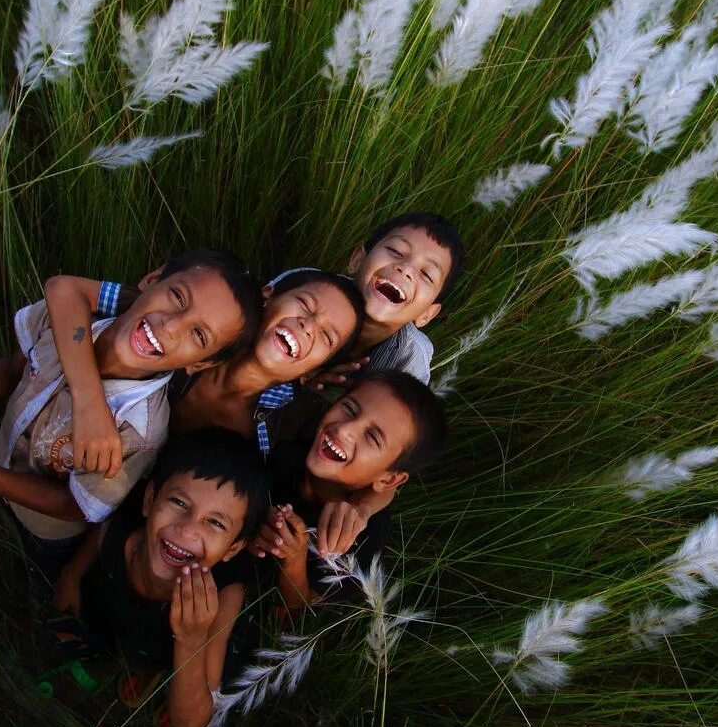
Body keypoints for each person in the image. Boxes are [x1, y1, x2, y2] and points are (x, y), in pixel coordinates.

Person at [0, 249, 263, 605]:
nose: (172, 326)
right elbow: (18, 367)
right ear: (151, 279)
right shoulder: (72, 322)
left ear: (202, 364)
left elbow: (74, 506)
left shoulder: (139, 431)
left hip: (46, 534)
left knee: (23, 589)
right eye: (178, 297)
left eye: (199, 335)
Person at [60, 429, 269, 727]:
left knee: (179, 679)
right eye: (179, 502)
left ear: (233, 549)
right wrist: (71, 579)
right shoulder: (122, 528)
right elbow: (92, 547)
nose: (186, 530)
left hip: (183, 650)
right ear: (149, 500)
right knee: (115, 637)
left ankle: (162, 675)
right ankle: (136, 665)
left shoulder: (225, 593)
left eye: (215, 523)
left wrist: (190, 638)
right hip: (120, 616)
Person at [42, 267, 366, 463]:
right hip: (49, 417)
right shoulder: (180, 318)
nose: (308, 325)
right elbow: (68, 291)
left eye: (326, 336)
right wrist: (89, 401)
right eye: (306, 305)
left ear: (311, 372)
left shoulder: (263, 437)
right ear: (266, 296)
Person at [250, 371, 447, 612]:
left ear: (389, 479)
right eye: (350, 409)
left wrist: (293, 560)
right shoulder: (293, 434)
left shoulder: (364, 539)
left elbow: (297, 618)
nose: (345, 430)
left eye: (372, 437)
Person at [287, 211, 465, 386]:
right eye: (396, 251)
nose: (406, 269)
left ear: (426, 314)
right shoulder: (301, 287)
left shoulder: (409, 358)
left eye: (426, 274)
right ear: (357, 260)